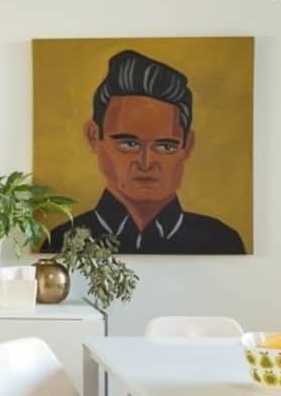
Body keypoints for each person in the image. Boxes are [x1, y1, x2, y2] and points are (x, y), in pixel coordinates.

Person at [46, 49, 246, 255]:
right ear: (94, 136)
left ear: (188, 145)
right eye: (128, 144)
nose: (146, 162)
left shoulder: (219, 242)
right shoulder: (61, 242)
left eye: (165, 146)